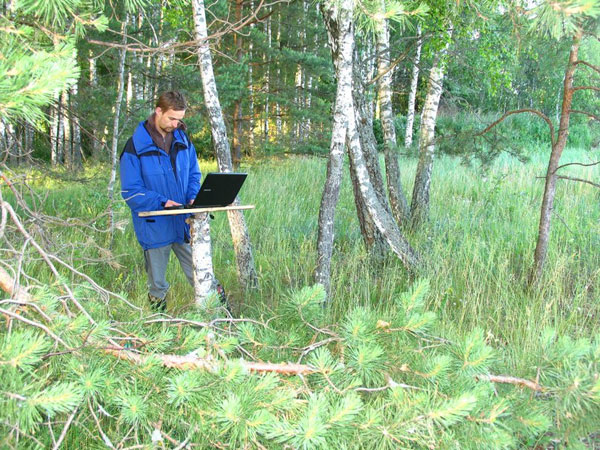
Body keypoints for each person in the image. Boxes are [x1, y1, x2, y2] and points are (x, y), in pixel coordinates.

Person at [120, 91, 200, 311]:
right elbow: (130, 191)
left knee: (201, 273)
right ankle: (158, 326)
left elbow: (194, 174)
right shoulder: (135, 146)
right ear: (158, 111)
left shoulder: (183, 140)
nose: (176, 124)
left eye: (180, 119)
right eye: (171, 118)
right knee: (157, 284)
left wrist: (193, 196)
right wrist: (162, 202)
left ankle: (220, 317)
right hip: (154, 224)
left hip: (183, 223)